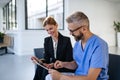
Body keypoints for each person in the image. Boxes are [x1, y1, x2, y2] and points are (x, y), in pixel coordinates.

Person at [45, 11, 109, 80]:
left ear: (84, 29)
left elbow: (91, 78)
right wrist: (63, 64)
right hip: (78, 76)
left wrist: (61, 77)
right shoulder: (78, 43)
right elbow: (76, 64)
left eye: (72, 31)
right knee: (49, 77)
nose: (70, 33)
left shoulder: (99, 45)